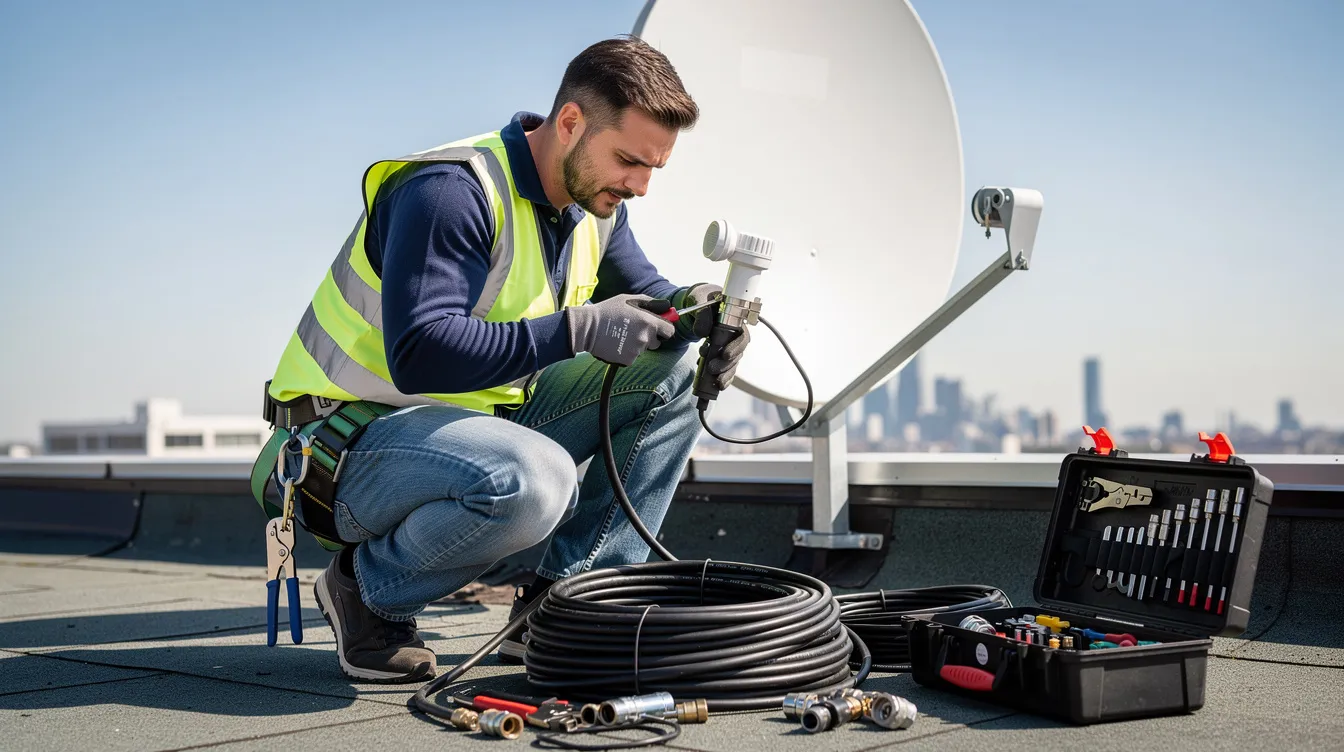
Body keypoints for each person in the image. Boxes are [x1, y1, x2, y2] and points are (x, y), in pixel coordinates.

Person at [254, 36, 748, 683]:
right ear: (570, 122)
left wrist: (696, 310)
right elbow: (419, 356)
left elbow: (652, 303)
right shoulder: (448, 192)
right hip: (337, 449)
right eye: (629, 160)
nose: (641, 186)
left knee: (669, 375)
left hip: (464, 436)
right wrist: (576, 329)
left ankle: (566, 606)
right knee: (537, 482)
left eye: (653, 168)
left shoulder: (594, 209)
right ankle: (365, 591)